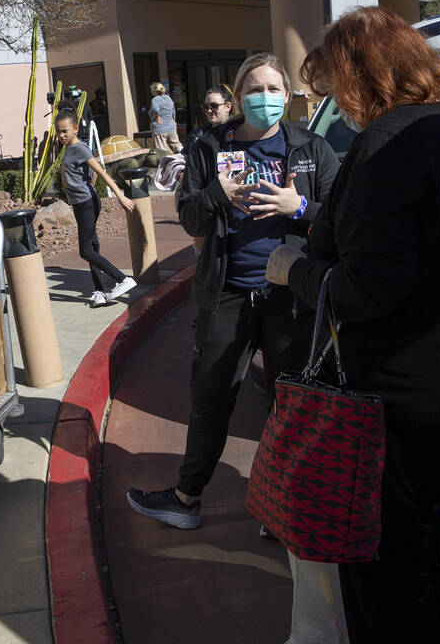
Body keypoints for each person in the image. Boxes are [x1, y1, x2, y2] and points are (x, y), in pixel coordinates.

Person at [263, 7, 440, 643]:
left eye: (335, 88)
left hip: (416, 390)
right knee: (419, 534)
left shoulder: (388, 147)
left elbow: (364, 289)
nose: (338, 106)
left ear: (361, 78)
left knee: (381, 562)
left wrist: (290, 270)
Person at [126, 52, 339, 530]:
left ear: (288, 94)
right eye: (256, 89)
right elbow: (189, 218)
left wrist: (298, 204)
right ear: (239, 95)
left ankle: (279, 501)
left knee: (292, 403)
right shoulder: (208, 147)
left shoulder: (310, 148)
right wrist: (218, 192)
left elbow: (343, 217)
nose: (266, 98)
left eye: (274, 89)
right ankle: (185, 498)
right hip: (228, 293)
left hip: (292, 297)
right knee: (211, 397)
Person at [54, 108, 137, 307]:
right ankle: (99, 291)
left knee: (85, 251)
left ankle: (122, 279)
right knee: (92, 247)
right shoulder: (70, 148)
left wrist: (120, 196)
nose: (61, 135)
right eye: (59, 131)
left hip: (86, 203)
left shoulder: (80, 148)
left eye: (65, 130)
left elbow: (101, 171)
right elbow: (92, 174)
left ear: (75, 128)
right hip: (81, 202)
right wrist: (88, 183)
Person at [148, 81, 182, 154]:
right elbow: (173, 111)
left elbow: (155, 109)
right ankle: (184, 157)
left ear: (154, 91)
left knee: (161, 151)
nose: (151, 92)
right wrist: (173, 121)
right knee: (176, 145)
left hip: (159, 128)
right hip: (171, 126)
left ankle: (164, 164)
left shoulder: (155, 99)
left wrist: (157, 116)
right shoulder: (168, 98)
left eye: (152, 90)